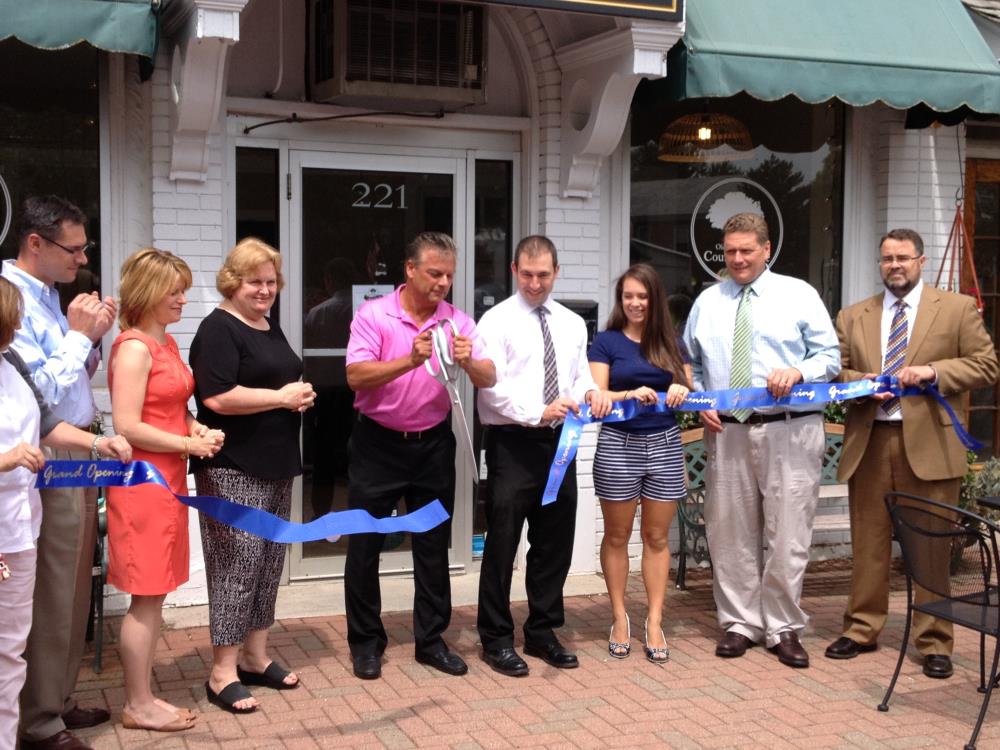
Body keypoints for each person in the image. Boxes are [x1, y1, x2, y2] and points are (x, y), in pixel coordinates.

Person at [824, 228, 999, 678]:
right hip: (871, 438)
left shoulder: (956, 309)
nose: (894, 266)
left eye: (902, 257)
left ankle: (935, 638)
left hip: (931, 445)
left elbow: (986, 364)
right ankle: (862, 627)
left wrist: (934, 371)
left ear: (921, 260)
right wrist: (862, 383)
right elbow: (837, 372)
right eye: (886, 259)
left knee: (930, 548)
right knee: (869, 543)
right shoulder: (853, 315)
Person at [683, 212, 840, 669]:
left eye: (746, 250)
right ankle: (740, 623)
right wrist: (698, 398)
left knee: (788, 531)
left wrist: (799, 370)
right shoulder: (708, 301)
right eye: (730, 251)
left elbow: (830, 357)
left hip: (789, 427)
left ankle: (783, 626)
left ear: (766, 249)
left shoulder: (799, 295)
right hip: (727, 432)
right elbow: (686, 361)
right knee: (729, 530)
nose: (737, 259)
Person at [344, 231, 495, 680]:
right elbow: (355, 376)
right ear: (410, 270)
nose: (443, 282)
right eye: (434, 273)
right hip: (377, 443)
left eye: (449, 275)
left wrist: (469, 362)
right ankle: (367, 643)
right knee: (365, 546)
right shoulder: (374, 315)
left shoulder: (456, 321)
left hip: (432, 444)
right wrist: (409, 360)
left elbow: (487, 378)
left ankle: (430, 641)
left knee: (431, 546)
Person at [1, 195, 118, 750]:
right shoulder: (11, 302)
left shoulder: (49, 295)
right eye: (73, 248)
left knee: (74, 584)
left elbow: (71, 381)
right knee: (51, 588)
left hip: (76, 445)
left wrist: (87, 338)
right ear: (35, 243)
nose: (82, 258)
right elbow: (36, 392)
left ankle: (58, 697)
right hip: (47, 453)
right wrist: (80, 337)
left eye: (84, 247)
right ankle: (40, 718)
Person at [190, 238, 315, 713]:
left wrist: (295, 397)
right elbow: (217, 398)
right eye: (255, 282)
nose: (265, 290)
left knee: (267, 564)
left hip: (277, 461)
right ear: (232, 282)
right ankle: (221, 672)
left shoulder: (265, 323)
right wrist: (282, 398)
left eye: (271, 282)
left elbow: (274, 382)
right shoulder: (218, 328)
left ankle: (255, 656)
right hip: (233, 466)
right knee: (236, 567)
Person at [476, 235, 610, 677]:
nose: (535, 284)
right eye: (528, 274)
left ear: (556, 272)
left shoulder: (572, 322)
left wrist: (591, 391)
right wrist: (538, 411)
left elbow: (576, 373)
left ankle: (542, 631)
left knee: (554, 543)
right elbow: (490, 391)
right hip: (513, 443)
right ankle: (495, 639)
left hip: (560, 445)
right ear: (514, 270)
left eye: (544, 275)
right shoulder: (494, 321)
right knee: (502, 543)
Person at [108, 249, 224, 732]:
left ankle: (143, 696)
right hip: (143, 485)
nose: (182, 298)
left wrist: (196, 430)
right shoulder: (135, 348)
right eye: (173, 290)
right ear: (147, 293)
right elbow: (127, 425)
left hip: (169, 480)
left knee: (154, 595)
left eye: (183, 288)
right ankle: (137, 703)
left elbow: (172, 409)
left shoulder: (167, 345)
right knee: (146, 595)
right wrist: (186, 443)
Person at [588, 264, 691, 664]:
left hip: (664, 444)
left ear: (654, 300)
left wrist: (682, 388)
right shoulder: (607, 342)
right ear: (621, 300)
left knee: (657, 538)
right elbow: (598, 395)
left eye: (642, 296)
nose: (634, 303)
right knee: (616, 537)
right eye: (628, 296)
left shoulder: (672, 342)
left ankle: (654, 620)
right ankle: (618, 617)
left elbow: (688, 386)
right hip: (618, 444)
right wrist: (628, 392)